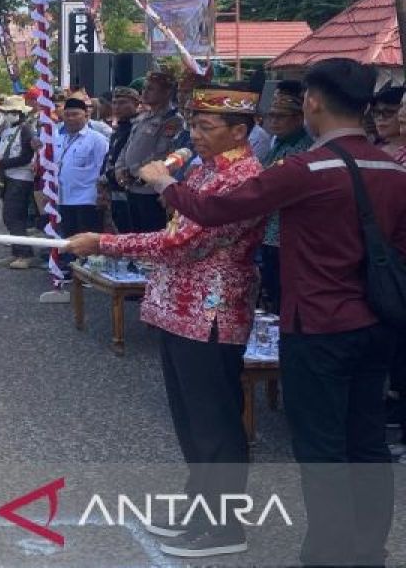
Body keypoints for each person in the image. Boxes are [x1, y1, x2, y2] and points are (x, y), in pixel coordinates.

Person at [139, 58, 405, 567]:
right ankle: (369, 552)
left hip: (317, 325)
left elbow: (217, 211)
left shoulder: (304, 170)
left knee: (322, 449)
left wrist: (165, 185)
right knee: (367, 445)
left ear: (313, 102)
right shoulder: (393, 168)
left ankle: (328, 555)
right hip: (378, 325)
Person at [67, 86, 265, 558]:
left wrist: (105, 242)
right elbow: (176, 230)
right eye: (193, 125)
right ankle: (201, 511)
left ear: (240, 131)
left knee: (215, 423)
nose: (194, 135)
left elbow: (184, 244)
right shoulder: (207, 169)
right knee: (192, 422)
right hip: (180, 307)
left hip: (211, 311)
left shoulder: (242, 177)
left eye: (206, 127)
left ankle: (224, 528)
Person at [258, 83, 312, 315]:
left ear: (299, 118)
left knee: (285, 294)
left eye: (282, 117)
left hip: (288, 234)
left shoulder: (304, 149)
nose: (274, 121)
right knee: (271, 288)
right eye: (271, 116)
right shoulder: (277, 145)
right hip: (269, 231)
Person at [119, 71, 185, 233]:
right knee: (134, 234)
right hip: (131, 185)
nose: (145, 92)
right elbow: (127, 146)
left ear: (166, 92)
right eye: (144, 88)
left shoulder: (172, 120)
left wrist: (135, 171)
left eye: (151, 89)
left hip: (151, 188)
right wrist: (119, 168)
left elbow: (162, 153)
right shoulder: (142, 117)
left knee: (152, 235)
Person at [53, 97, 109, 283]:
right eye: (67, 115)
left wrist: (102, 195)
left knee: (86, 237)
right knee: (69, 236)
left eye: (75, 114)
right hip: (64, 196)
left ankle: (89, 273)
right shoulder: (59, 138)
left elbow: (103, 169)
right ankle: (71, 269)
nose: (70, 118)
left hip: (87, 197)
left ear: (86, 115)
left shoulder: (97, 140)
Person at [0, 96, 36, 268]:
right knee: (10, 217)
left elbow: (27, 156)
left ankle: (25, 254)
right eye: (6, 112)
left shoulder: (27, 130)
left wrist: (4, 163)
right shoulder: (7, 130)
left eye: (10, 112)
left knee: (13, 216)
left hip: (21, 177)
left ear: (19, 113)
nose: (7, 115)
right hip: (8, 176)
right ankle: (17, 252)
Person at [103, 87, 141, 234]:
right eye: (114, 103)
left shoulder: (137, 126)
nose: (117, 107)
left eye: (123, 103)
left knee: (132, 231)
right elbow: (110, 154)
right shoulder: (120, 128)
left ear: (137, 103)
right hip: (113, 187)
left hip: (130, 187)